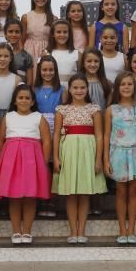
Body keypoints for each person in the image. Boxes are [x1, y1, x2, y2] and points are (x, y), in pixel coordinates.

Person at [0, 84, 52, 244]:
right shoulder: (9, 117)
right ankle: (16, 231)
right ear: (15, 100)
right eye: (20, 98)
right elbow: (0, 139)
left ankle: (26, 231)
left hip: (32, 161)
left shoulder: (38, 117)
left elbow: (46, 141)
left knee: (30, 197)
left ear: (33, 101)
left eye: (27, 98)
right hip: (11, 160)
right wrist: (1, 159)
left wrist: (44, 161)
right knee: (14, 197)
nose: (24, 101)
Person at [52, 74, 105, 243]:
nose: (79, 90)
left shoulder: (94, 109)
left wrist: (98, 159)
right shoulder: (62, 110)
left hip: (87, 152)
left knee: (84, 193)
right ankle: (72, 231)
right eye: (75, 87)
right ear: (69, 89)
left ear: (87, 89)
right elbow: (56, 135)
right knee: (71, 194)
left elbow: (99, 136)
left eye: (82, 87)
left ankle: (81, 231)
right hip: (68, 151)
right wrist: (56, 157)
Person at [106, 74, 136, 244]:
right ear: (117, 87)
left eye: (129, 84)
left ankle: (131, 229)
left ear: (134, 87)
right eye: (123, 84)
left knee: (133, 191)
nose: (126, 87)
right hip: (117, 153)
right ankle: (122, 229)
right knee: (120, 191)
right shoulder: (111, 110)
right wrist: (105, 159)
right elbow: (106, 135)